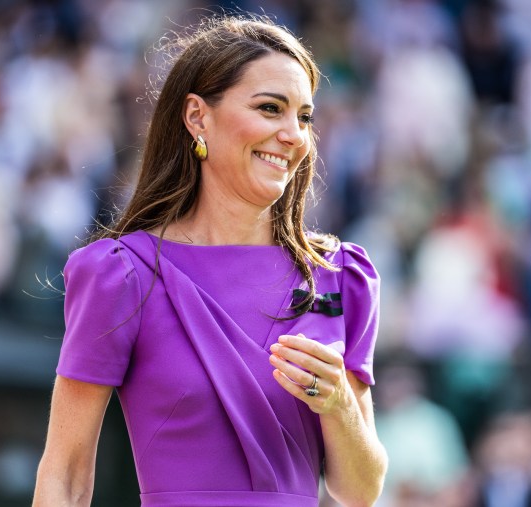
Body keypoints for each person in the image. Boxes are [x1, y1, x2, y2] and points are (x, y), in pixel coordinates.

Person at [32, 13, 387, 507]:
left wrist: (340, 405)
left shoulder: (340, 276)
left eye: (304, 116)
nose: (293, 134)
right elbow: (65, 475)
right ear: (198, 116)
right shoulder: (122, 273)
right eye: (270, 108)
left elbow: (361, 491)